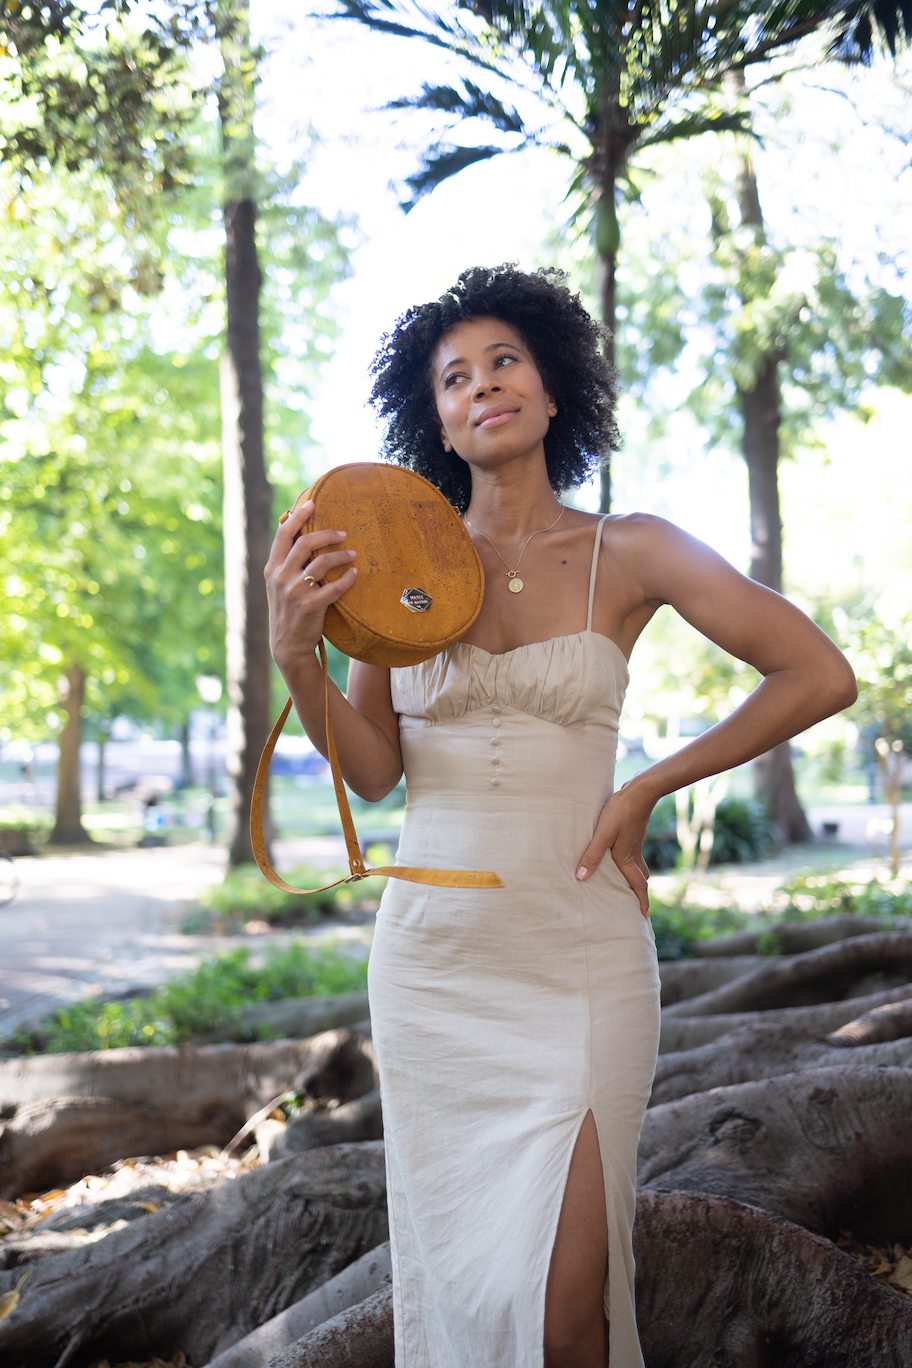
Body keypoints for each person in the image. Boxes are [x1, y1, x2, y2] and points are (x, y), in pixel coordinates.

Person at [264, 265, 857, 1368]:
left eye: (504, 361)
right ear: (431, 413)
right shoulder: (391, 567)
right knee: (467, 1287)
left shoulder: (628, 549)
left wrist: (644, 788)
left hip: (577, 956)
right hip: (434, 972)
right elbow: (375, 771)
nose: (481, 386)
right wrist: (297, 656)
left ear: (550, 386)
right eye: (454, 376)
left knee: (566, 1307)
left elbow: (816, 673)